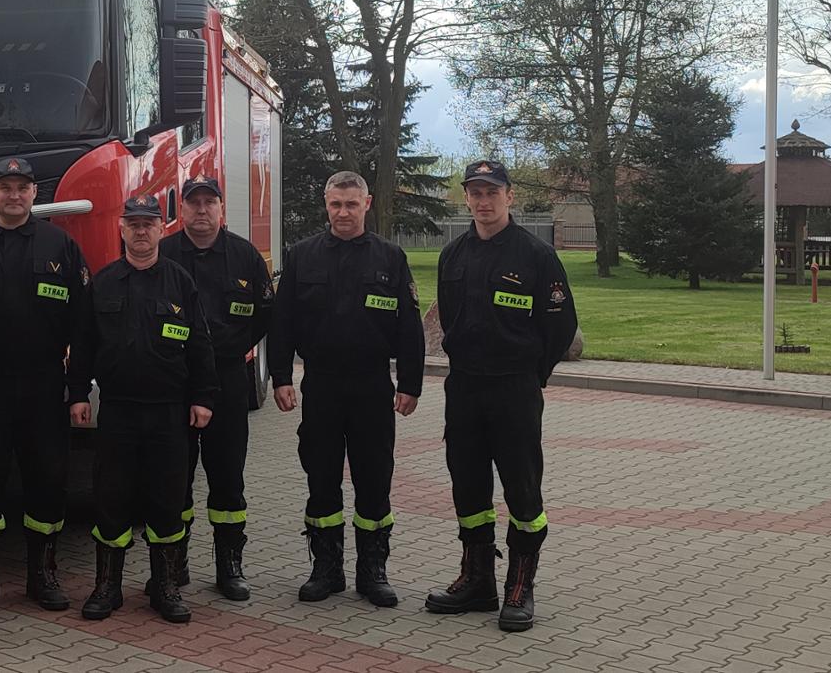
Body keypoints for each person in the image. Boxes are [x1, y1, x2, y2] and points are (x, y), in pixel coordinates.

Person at [423, 159, 577, 633]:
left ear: (510, 196)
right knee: (467, 486)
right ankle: (477, 581)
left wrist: (535, 376)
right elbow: (448, 317)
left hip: (514, 386)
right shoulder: (454, 255)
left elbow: (560, 325)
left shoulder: (536, 256)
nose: (483, 201)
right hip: (464, 385)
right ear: (466, 198)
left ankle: (519, 587)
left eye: (492, 192)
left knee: (522, 489)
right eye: (475, 192)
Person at [267, 170, 423, 608]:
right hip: (321, 384)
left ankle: (373, 571)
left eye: (351, 204)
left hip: (373, 385)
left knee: (375, 477)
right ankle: (326, 568)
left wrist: (410, 383)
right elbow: (281, 323)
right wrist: (281, 377)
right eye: (336, 204)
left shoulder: (390, 258)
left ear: (367, 204)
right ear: (326, 203)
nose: (343, 213)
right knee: (321, 476)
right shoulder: (302, 256)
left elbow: (410, 327)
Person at [68, 195, 217, 624]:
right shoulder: (104, 282)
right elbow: (84, 344)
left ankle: (164, 586)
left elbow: (200, 345)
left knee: (166, 499)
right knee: (111, 497)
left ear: (159, 229)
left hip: (168, 413)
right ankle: (107, 586)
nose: (140, 231)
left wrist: (204, 397)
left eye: (148, 224)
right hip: (117, 411)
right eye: (132, 223)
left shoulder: (180, 282)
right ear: (121, 228)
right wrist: (78, 393)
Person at [0, 157, 91, 612]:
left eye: (22, 187)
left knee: (47, 480)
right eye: (5, 187)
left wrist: (78, 390)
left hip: (42, 386)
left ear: (35, 193)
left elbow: (82, 325)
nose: (14, 195)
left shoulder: (61, 244)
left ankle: (43, 574)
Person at [157, 176, 273, 601]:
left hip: (226, 380)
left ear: (221, 209)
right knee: (174, 478)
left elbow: (264, 314)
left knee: (227, 478)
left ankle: (230, 566)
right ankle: (175, 564)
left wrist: (236, 347)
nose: (201, 210)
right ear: (181, 209)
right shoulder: (163, 253)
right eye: (194, 203)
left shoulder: (244, 256)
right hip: (176, 383)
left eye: (210, 202)